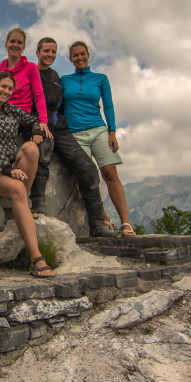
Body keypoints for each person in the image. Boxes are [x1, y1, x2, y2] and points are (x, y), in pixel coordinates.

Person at [0, 71, 55, 278]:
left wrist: (37, 132)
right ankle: (37, 258)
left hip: (14, 165)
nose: (6, 91)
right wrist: (8, 170)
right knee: (17, 187)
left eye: (10, 88)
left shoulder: (12, 111)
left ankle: (22, 205)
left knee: (31, 148)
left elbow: (33, 120)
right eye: (3, 87)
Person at [28, 37, 113, 237]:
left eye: (53, 52)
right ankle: (38, 207)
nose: (49, 55)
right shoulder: (29, 71)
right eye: (46, 51)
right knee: (43, 153)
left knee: (88, 168)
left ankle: (97, 224)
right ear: (37, 52)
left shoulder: (56, 76)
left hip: (59, 128)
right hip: (37, 125)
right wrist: (34, 125)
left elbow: (62, 103)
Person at [61, 41, 135, 237]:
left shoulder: (100, 78)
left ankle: (126, 223)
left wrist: (112, 131)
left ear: (88, 55)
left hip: (99, 130)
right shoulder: (64, 80)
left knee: (110, 172)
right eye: (75, 55)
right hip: (75, 133)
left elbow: (108, 105)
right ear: (70, 59)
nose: (79, 58)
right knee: (81, 177)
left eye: (82, 54)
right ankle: (103, 217)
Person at [0, 27, 52, 216]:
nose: (15, 45)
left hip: (22, 116)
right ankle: (5, 189)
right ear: (6, 44)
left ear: (24, 46)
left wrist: (42, 121)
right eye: (12, 42)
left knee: (41, 146)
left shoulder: (31, 68)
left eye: (19, 42)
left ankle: (33, 199)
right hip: (1, 114)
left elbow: (38, 94)